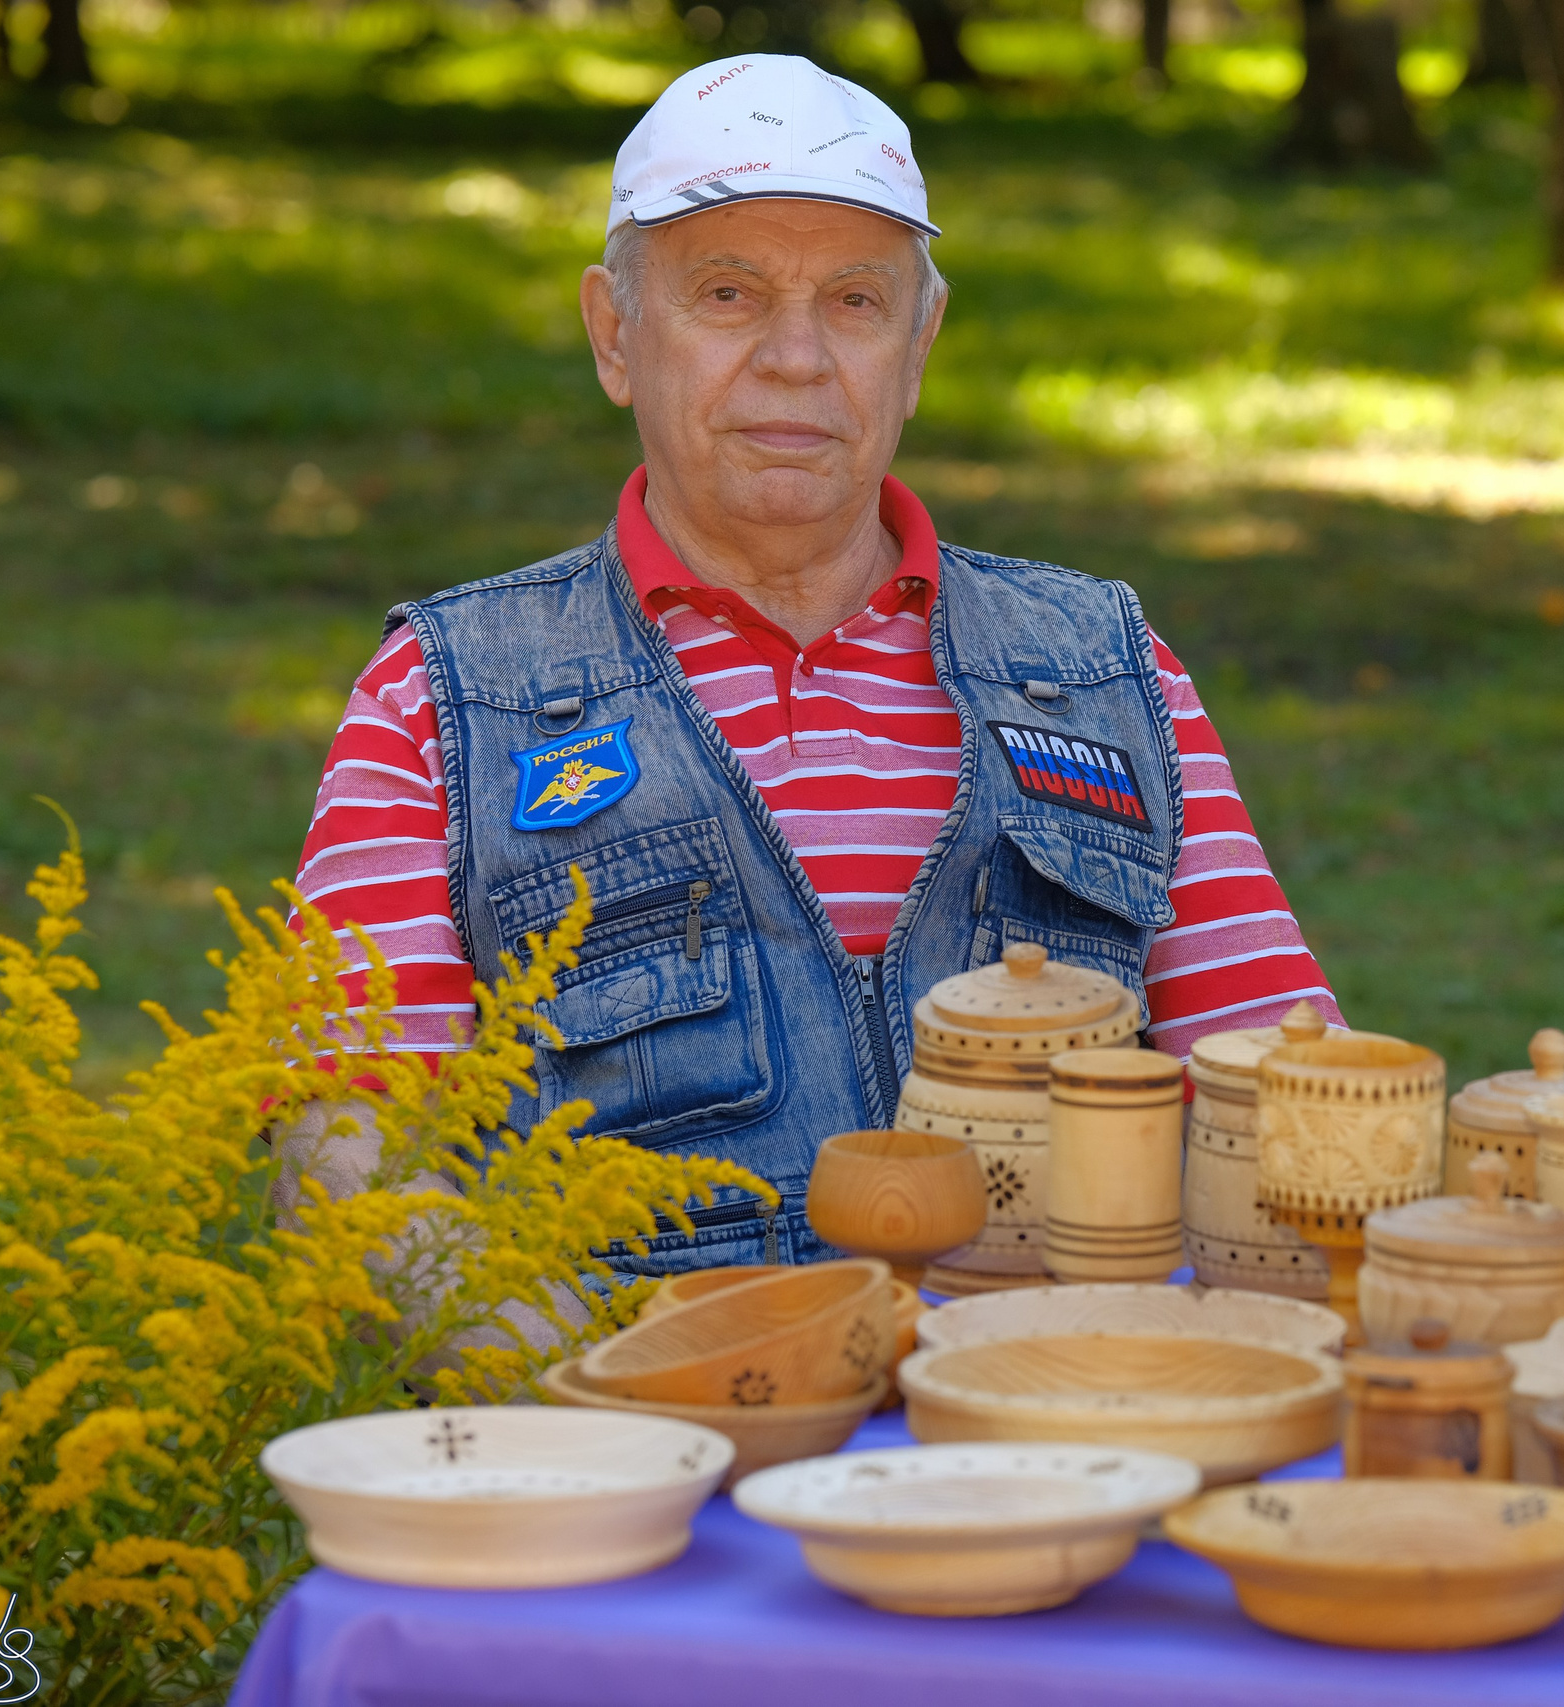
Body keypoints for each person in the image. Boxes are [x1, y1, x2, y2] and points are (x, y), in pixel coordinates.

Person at [284, 55, 1339, 1278]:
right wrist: (584, 1400)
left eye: (853, 301)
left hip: (1057, 1421)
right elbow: (346, 1157)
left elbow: (1278, 1085)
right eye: (727, 294)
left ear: (919, 342)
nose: (795, 356)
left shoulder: (1108, 669)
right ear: (616, 334)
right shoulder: (445, 696)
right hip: (642, 1425)